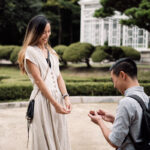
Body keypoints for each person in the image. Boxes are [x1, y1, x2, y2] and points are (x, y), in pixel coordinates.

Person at [18, 15, 72, 150]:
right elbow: (39, 80)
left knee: (59, 136)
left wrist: (66, 97)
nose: (47, 35)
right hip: (42, 102)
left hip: (57, 101)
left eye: (48, 31)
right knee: (43, 140)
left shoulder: (52, 52)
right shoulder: (30, 52)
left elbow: (59, 77)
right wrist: (55, 104)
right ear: (35, 32)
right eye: (43, 32)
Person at [88, 58, 149, 150]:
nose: (114, 86)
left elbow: (114, 141)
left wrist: (99, 121)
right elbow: (138, 127)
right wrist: (114, 120)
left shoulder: (126, 103)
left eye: (114, 80)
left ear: (122, 75)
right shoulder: (146, 98)